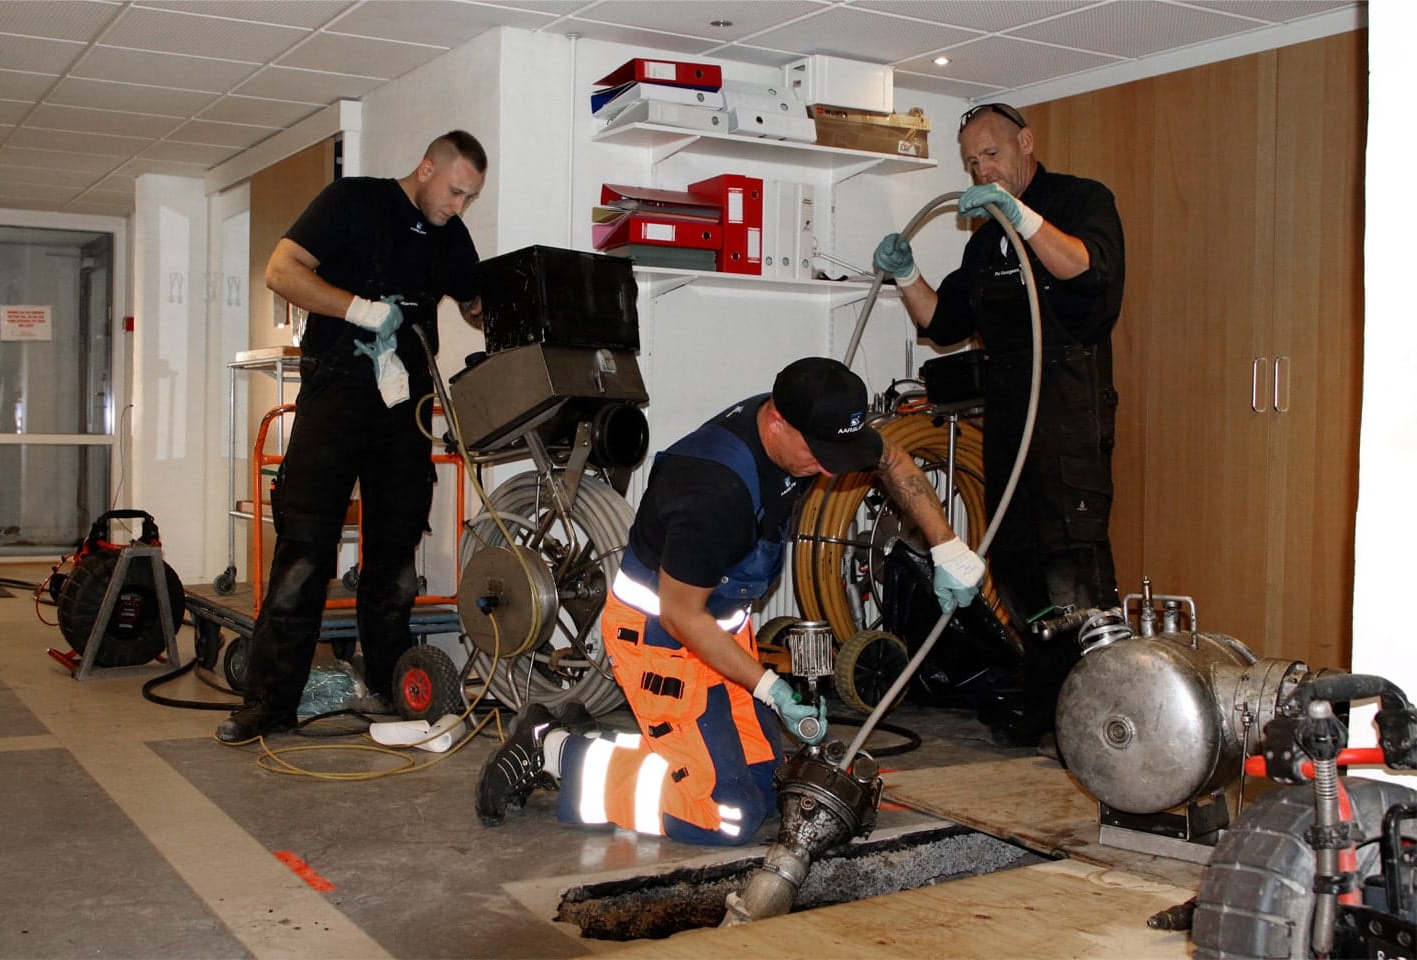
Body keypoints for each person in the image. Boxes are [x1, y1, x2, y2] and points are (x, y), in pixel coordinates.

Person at [474, 356, 985, 843]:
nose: (829, 472)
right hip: (662, 643)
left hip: (722, 634)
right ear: (777, 421)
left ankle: (602, 742)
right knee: (727, 816)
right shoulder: (713, 490)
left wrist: (946, 546)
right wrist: (771, 688)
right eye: (818, 455)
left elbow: (891, 457)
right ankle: (556, 751)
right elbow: (680, 615)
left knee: (765, 790)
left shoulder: (809, 424)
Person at [217, 131, 487, 743]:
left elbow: (475, 303)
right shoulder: (353, 202)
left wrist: (506, 304)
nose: (459, 207)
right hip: (336, 395)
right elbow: (281, 271)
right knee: (303, 553)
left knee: (394, 559)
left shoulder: (450, 235)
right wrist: (358, 308)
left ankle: (392, 689)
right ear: (426, 168)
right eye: (454, 192)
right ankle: (268, 704)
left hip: (404, 405)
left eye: (470, 198)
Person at [871, 102, 1124, 745]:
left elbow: (1086, 268)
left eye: (991, 154)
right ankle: (1046, 712)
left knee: (1072, 567)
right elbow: (942, 323)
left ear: (1026, 143)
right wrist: (906, 275)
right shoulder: (985, 241)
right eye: (971, 162)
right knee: (1015, 564)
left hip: (1067, 407)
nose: (982, 169)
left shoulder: (1080, 201)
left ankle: (1102, 721)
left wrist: (1022, 216)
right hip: (1009, 412)